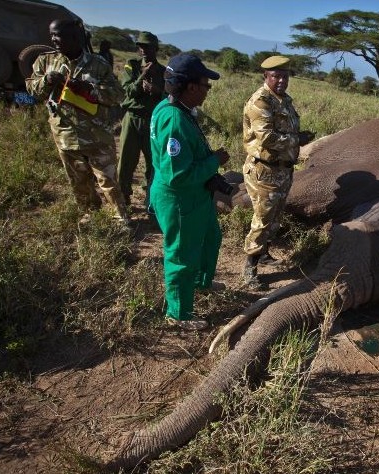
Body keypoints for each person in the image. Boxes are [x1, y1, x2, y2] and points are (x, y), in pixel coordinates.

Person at [149, 53, 229, 331]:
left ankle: (201, 282)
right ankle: (179, 313)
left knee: (210, 238)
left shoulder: (177, 109)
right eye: (206, 85)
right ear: (192, 87)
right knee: (181, 255)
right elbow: (177, 175)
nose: (208, 91)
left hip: (197, 197)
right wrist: (214, 162)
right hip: (180, 200)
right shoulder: (173, 119)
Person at [26, 19, 129, 225]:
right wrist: (46, 81)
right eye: (52, 34)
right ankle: (90, 214)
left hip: (97, 135)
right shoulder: (45, 62)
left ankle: (119, 219)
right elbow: (31, 90)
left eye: (58, 35)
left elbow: (117, 95)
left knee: (107, 180)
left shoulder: (98, 64)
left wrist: (88, 89)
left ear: (75, 38)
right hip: (65, 134)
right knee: (79, 180)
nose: (53, 39)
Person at [242, 55, 313, 289]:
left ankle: (263, 253)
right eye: (276, 76)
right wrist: (297, 140)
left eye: (285, 76)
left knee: (275, 216)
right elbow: (267, 137)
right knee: (262, 219)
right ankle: (250, 267)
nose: (281, 80)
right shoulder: (260, 101)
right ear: (266, 76)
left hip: (282, 169)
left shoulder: (284, 100)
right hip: (264, 170)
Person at [116, 31, 166, 213]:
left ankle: (150, 197)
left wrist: (156, 90)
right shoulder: (132, 66)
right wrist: (141, 78)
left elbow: (169, 97)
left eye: (148, 46)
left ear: (156, 48)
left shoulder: (163, 72)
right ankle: (123, 197)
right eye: (141, 46)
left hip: (152, 120)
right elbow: (127, 92)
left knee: (153, 162)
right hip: (132, 118)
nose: (144, 50)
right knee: (126, 160)